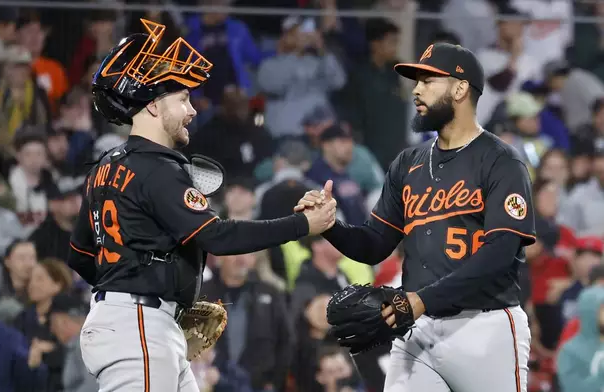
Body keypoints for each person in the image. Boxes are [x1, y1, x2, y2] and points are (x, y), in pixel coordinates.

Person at [67, 19, 337, 392]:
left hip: (135, 321)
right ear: (152, 107)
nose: (192, 110)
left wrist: (144, 291)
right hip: (140, 326)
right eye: (182, 99)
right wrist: (302, 226)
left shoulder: (104, 168)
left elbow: (81, 256)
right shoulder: (156, 167)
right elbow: (218, 237)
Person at [295, 42, 535, 392]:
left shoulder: (502, 162)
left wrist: (421, 300)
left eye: (428, 80)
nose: (417, 89)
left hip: (486, 328)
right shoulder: (409, 163)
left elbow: (500, 254)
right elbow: (375, 244)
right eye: (416, 81)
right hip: (417, 328)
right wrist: (331, 226)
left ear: (460, 88)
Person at [556, 285, 604, 391]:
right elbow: (572, 388)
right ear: (590, 312)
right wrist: (601, 375)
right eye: (603, 309)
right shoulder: (569, 351)